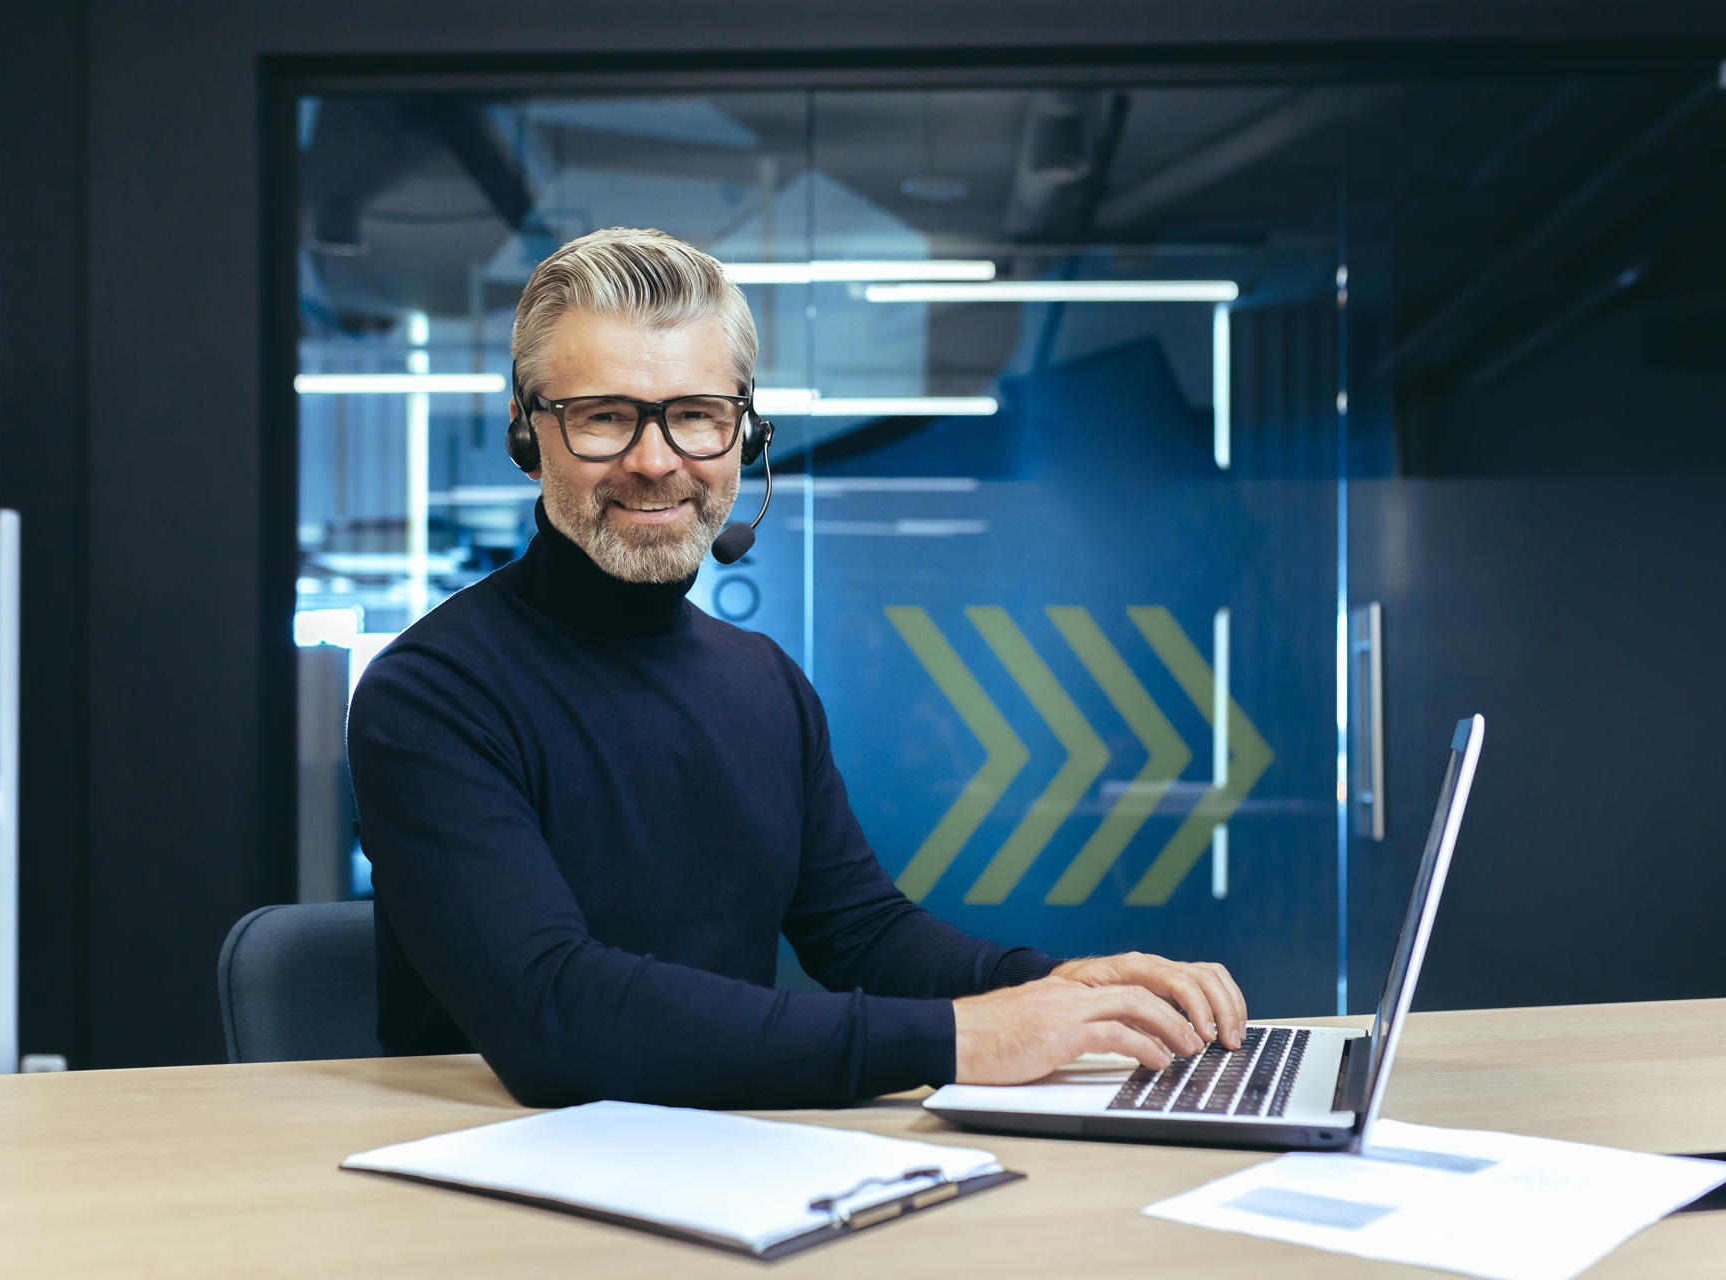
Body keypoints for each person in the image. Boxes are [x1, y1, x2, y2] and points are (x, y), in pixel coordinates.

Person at [347, 227, 1246, 1109]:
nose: (657, 460)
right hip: (494, 1186)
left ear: (747, 432)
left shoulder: (763, 682)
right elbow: (555, 1014)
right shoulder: (431, 693)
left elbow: (862, 932)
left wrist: (1058, 988)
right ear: (526, 431)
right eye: (605, 417)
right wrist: (968, 1040)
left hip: (726, 1149)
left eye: (697, 414)